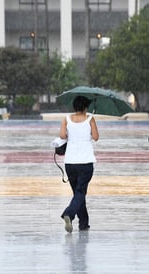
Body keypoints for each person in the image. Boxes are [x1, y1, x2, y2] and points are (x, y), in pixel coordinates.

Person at [60, 95, 99, 233]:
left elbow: (62, 135)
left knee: (78, 192)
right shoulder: (90, 119)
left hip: (70, 162)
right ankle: (69, 214)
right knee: (81, 192)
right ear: (85, 107)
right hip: (85, 161)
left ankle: (83, 223)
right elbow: (96, 137)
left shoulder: (67, 119)